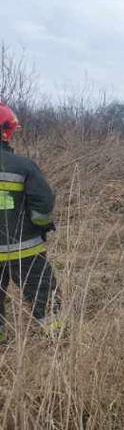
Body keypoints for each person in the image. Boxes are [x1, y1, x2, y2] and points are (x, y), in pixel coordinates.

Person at [0, 103, 59, 338]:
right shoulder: (23, 166)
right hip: (24, 250)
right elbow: (43, 202)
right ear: (6, 132)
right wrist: (40, 226)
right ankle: (56, 339)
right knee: (43, 293)